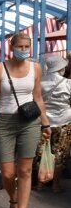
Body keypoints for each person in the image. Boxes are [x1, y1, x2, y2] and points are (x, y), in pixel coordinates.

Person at [0, 33, 51, 208]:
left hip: (29, 122)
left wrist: (45, 123)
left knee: (24, 170)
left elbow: (38, 97)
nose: (23, 50)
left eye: (26, 47)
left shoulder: (35, 68)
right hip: (4, 122)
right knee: (7, 172)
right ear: (11, 47)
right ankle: (12, 197)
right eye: (20, 46)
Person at [34, 56, 71, 192]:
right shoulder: (68, 83)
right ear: (60, 68)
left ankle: (40, 184)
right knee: (60, 153)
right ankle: (55, 185)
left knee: (42, 153)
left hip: (43, 123)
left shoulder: (40, 83)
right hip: (64, 122)